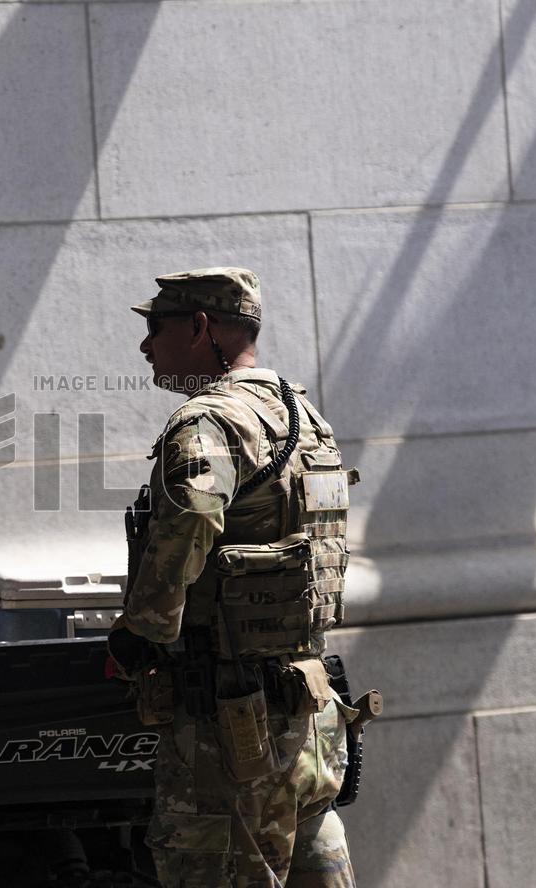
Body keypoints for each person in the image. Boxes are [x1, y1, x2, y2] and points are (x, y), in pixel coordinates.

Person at [108, 267, 361, 888]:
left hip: (229, 726)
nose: (145, 345)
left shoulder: (208, 421)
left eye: (156, 327)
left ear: (201, 328)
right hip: (308, 715)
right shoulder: (302, 414)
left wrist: (140, 634)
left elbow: (193, 517)